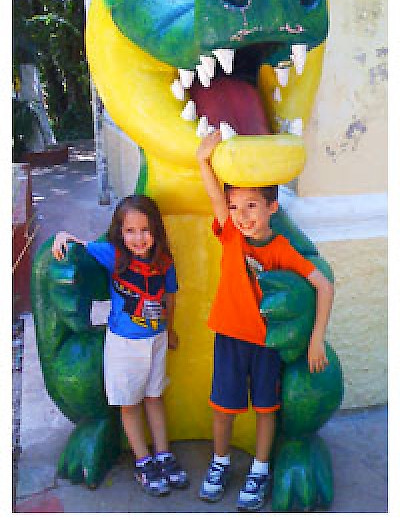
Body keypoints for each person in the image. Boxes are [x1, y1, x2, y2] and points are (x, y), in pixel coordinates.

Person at [196, 131, 334, 511]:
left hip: (265, 345)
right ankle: (219, 462)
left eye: (251, 206)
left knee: (266, 409)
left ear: (272, 207)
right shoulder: (230, 236)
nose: (242, 216)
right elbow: (214, 197)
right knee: (222, 408)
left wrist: (316, 338)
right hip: (229, 337)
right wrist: (203, 160)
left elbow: (323, 286)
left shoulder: (281, 250)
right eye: (235, 206)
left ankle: (259, 470)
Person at [52, 194, 189, 497]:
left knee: (155, 397)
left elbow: (170, 297)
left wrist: (170, 330)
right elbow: (80, 245)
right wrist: (61, 237)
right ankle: (143, 461)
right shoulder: (113, 255)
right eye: (130, 231)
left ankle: (163, 454)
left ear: (156, 230)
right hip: (124, 346)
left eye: (145, 230)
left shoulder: (164, 261)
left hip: (156, 340)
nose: (138, 238)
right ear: (120, 232)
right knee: (130, 403)